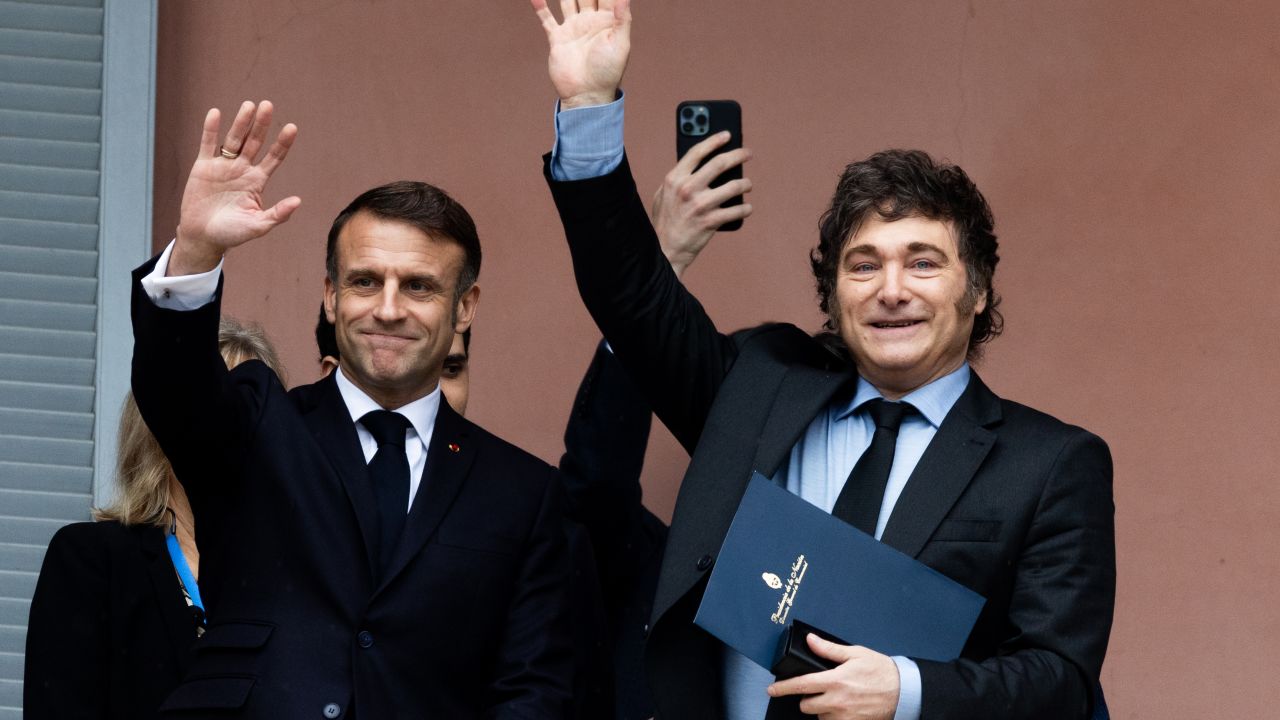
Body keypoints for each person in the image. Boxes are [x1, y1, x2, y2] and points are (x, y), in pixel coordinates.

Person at [531, 3, 1115, 719]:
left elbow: (1060, 680)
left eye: (923, 263)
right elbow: (631, 295)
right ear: (833, 296)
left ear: (978, 288)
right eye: (862, 266)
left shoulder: (1052, 463)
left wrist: (909, 691)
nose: (891, 290)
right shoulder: (756, 392)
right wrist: (589, 105)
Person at [131, 101, 573, 718]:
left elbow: (534, 690)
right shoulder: (257, 424)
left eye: (418, 286)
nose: (388, 309)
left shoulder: (523, 495)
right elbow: (173, 388)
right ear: (331, 297)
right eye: (365, 282)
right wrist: (197, 253)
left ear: (465, 308)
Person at [24, 320, 283, 720]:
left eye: (250, 408)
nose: (228, 427)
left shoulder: (297, 573)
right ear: (157, 426)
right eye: (209, 406)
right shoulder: (91, 562)